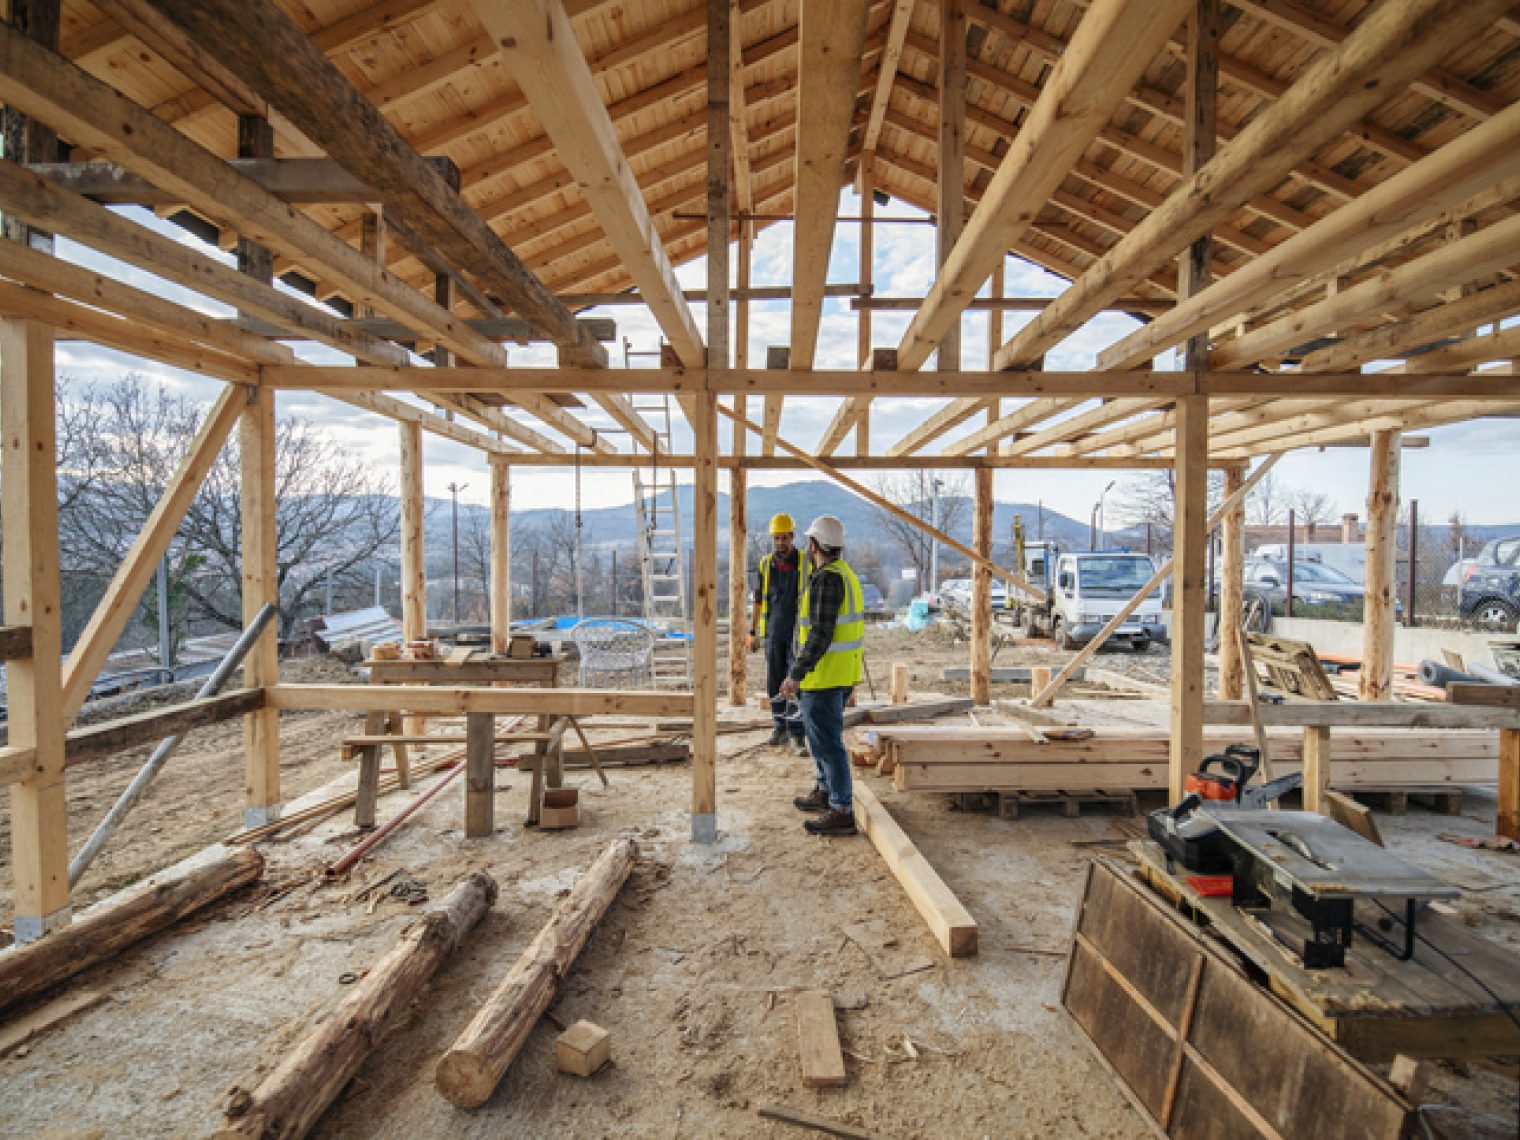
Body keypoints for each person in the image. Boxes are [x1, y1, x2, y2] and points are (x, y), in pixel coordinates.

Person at [778, 515, 865, 837]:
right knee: (821, 741)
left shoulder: (827, 579)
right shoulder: (845, 574)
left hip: (824, 678)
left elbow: (820, 634)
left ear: (813, 545)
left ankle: (841, 808)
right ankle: (824, 791)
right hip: (838, 674)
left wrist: (795, 674)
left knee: (827, 744)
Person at [750, 513, 810, 753]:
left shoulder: (806, 562)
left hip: (797, 633)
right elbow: (757, 599)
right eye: (777, 538)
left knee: (794, 682)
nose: (780, 543)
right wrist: (751, 630)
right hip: (773, 632)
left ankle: (797, 734)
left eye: (784, 538)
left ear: (792, 537)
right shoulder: (766, 564)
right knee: (775, 681)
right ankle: (780, 726)